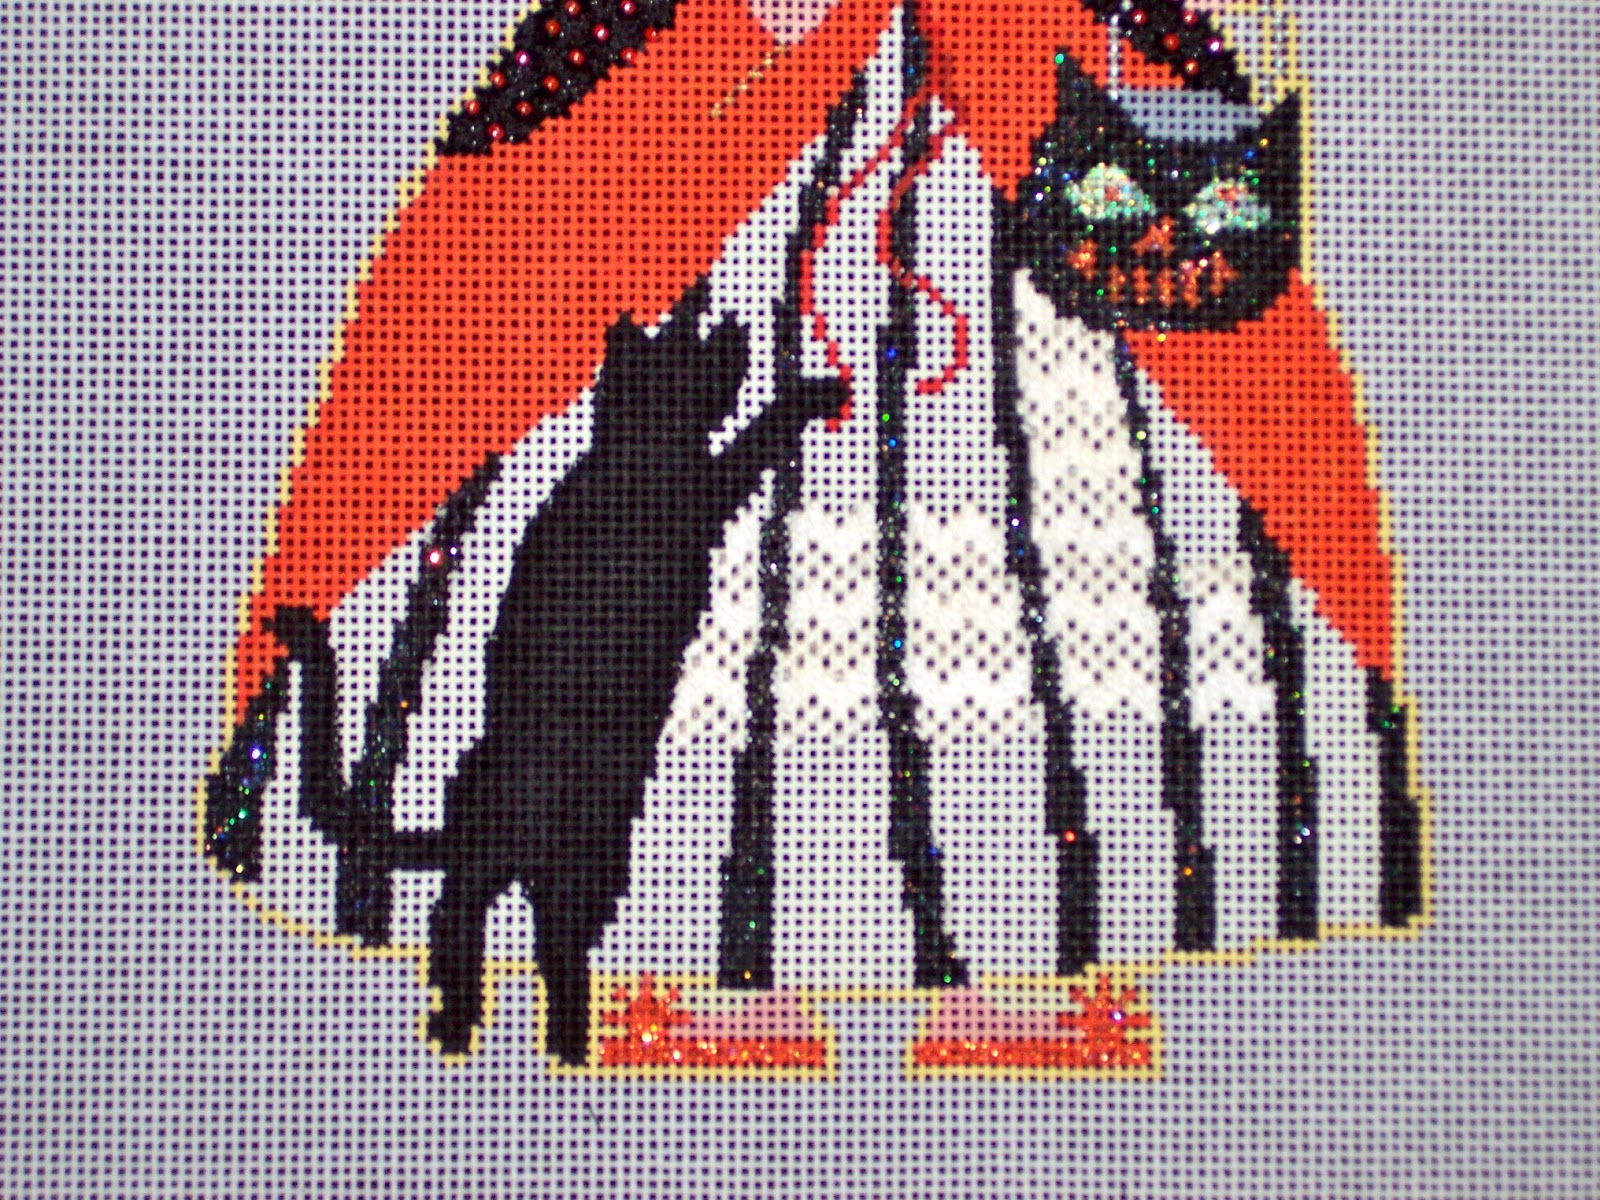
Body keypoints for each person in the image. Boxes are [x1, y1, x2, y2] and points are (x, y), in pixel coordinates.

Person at [203, 0, 1423, 1072]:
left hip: (1022, 161)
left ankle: (1040, 951)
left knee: (1039, 561)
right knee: (726, 639)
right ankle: (710, 960)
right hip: (737, 153)